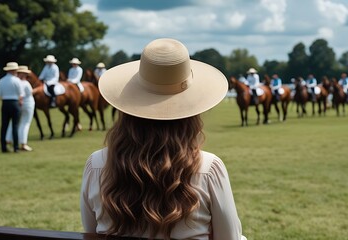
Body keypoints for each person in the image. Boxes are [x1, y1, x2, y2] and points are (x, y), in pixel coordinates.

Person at [80, 38, 244, 240]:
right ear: (191, 113)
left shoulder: (96, 164)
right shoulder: (209, 168)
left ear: (128, 108)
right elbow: (230, 238)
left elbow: (90, 233)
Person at [5, 66, 35, 151]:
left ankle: (8, 140)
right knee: (25, 123)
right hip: (27, 104)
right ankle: (23, 143)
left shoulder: (15, 82)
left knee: (13, 123)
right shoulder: (26, 83)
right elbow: (30, 93)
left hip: (18, 103)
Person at [0, 62, 23, 153]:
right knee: (15, 126)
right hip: (14, 103)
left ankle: (3, 147)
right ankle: (16, 147)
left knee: (4, 126)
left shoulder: (2, 80)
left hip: (5, 103)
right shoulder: (17, 80)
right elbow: (21, 94)